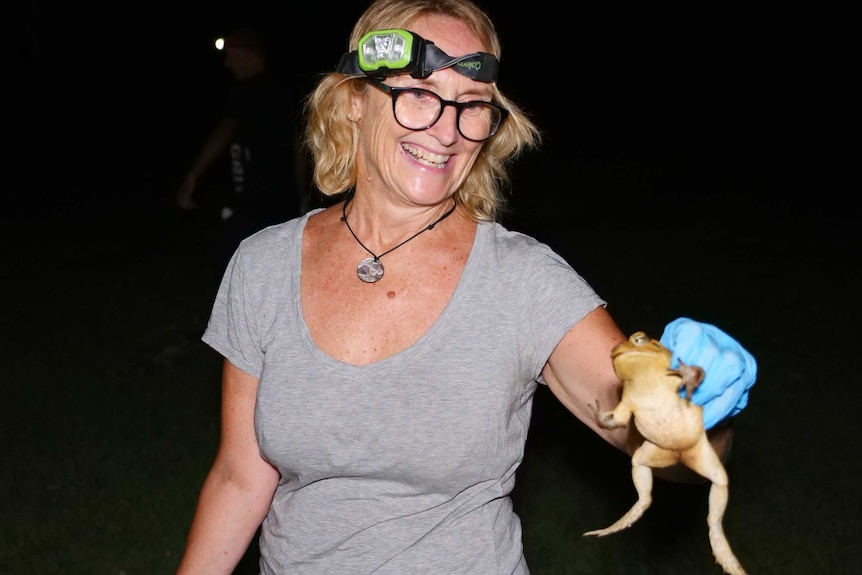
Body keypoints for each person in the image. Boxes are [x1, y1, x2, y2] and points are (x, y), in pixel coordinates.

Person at [175, 1, 757, 573]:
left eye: (470, 106)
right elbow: (240, 475)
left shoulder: (522, 282)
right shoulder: (262, 266)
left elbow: (652, 434)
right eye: (419, 95)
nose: (446, 129)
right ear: (354, 100)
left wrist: (703, 413)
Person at [177, 26, 308, 286]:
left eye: (231, 55)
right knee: (272, 273)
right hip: (281, 204)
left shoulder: (249, 91)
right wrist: (301, 194)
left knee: (231, 269)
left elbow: (223, 134)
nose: (227, 63)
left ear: (249, 55)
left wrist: (192, 178)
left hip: (254, 205)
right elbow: (299, 146)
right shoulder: (282, 93)